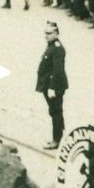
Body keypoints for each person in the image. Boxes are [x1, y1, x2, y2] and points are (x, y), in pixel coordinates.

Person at [36, 21, 68, 150]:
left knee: (55, 112)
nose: (46, 36)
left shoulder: (57, 49)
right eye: (45, 33)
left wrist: (52, 87)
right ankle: (61, 133)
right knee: (54, 111)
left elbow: (57, 70)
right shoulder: (52, 46)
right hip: (49, 85)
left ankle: (56, 139)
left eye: (49, 33)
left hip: (54, 86)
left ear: (56, 34)